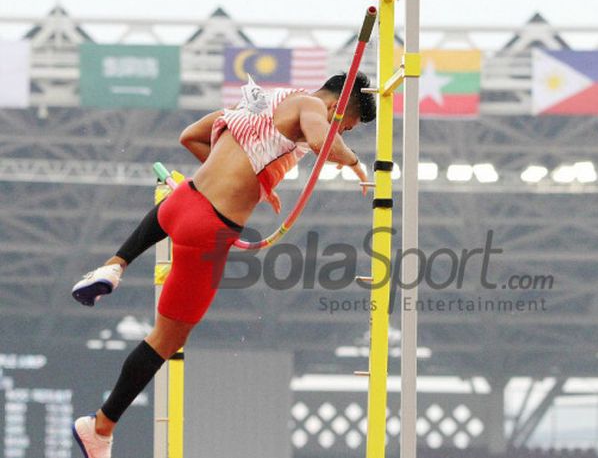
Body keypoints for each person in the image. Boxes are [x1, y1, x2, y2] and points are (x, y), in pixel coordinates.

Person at [70, 72, 376, 458]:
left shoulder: (268, 99)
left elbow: (190, 136)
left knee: (177, 202)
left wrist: (253, 185)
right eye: (345, 127)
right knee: (166, 339)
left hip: (181, 203)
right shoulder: (313, 107)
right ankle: (99, 427)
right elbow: (321, 141)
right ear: (337, 107)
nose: (341, 133)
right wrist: (355, 162)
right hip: (207, 231)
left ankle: (115, 264)